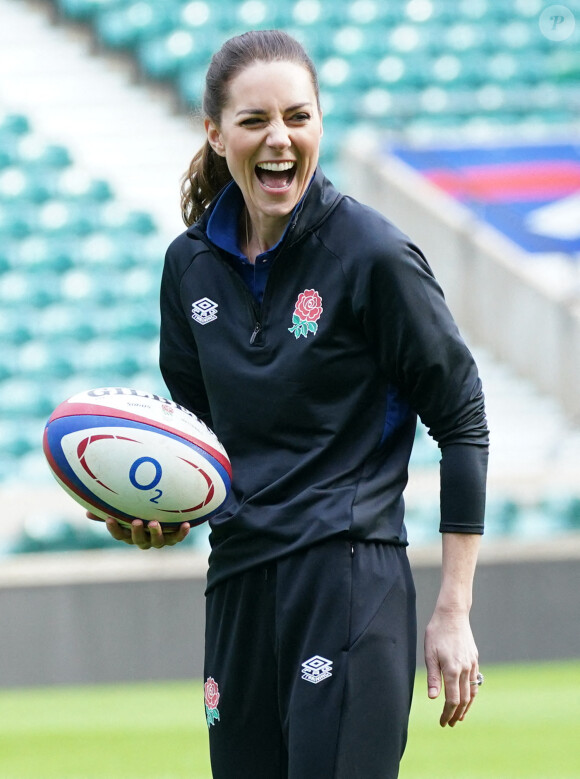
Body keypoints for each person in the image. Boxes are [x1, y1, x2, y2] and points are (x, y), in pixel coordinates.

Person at [99, 29, 489, 779]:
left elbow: (463, 417)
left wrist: (455, 607)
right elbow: (200, 451)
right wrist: (156, 513)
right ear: (215, 133)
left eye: (298, 117)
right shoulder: (188, 268)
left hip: (347, 581)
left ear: (319, 124)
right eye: (254, 121)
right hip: (238, 583)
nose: (279, 138)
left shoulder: (373, 255)